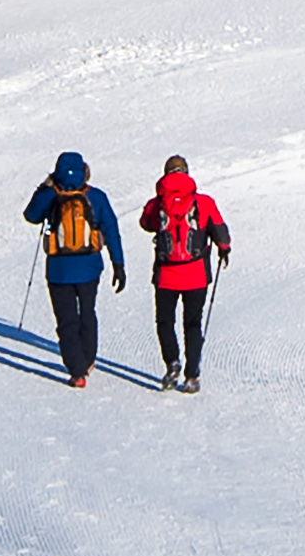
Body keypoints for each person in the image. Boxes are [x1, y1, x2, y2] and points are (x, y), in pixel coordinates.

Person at [24, 150, 119, 385]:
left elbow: (30, 215)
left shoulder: (49, 195)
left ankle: (77, 372)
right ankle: (87, 359)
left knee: (66, 320)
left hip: (58, 270)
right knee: (87, 313)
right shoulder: (95, 196)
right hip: (89, 267)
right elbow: (111, 229)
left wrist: (43, 188)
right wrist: (118, 263)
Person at [142, 153, 232, 391]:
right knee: (193, 323)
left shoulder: (156, 204)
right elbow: (222, 235)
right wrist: (224, 248)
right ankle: (192, 376)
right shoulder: (203, 202)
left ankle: (172, 362)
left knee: (165, 321)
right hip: (196, 275)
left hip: (166, 275)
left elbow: (145, 223)